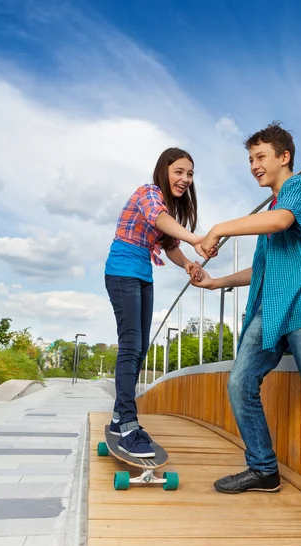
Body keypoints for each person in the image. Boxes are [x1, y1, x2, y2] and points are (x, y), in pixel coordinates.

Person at [190, 123, 301, 545]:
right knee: (239, 383)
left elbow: (281, 220)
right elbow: (263, 270)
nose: (254, 165)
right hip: (271, 309)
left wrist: (217, 228)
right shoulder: (270, 216)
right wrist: (216, 283)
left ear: (283, 157)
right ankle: (264, 469)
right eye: (251, 159)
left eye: (261, 157)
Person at [105, 147, 206, 459]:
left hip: (143, 275)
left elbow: (170, 245)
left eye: (189, 174)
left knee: (141, 349)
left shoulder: (169, 211)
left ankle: (119, 419)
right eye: (179, 171)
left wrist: (189, 264)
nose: (185, 179)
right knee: (131, 345)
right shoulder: (149, 193)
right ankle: (128, 426)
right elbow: (159, 219)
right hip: (122, 270)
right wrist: (197, 239)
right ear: (164, 171)